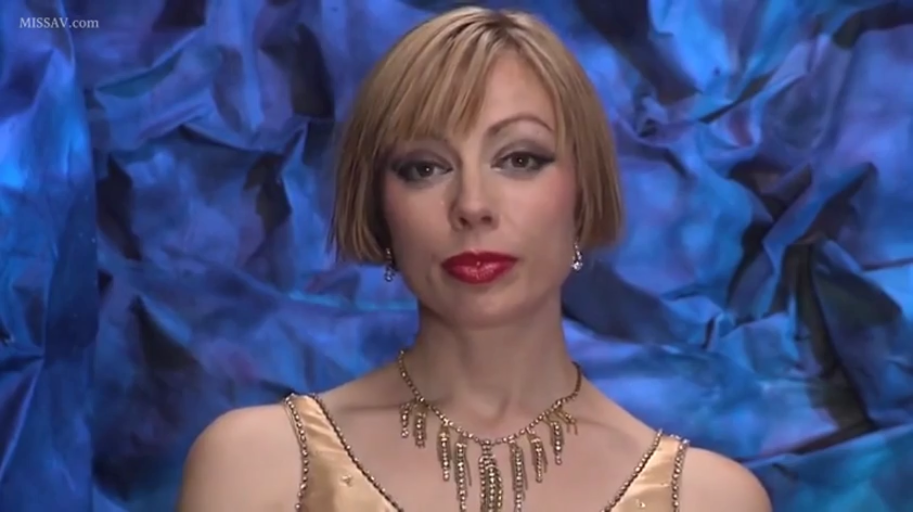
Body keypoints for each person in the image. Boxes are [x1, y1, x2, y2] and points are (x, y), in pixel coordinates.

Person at [177, 7, 772, 512]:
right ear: (380, 207)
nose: (472, 206)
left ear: (583, 191)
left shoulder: (709, 499)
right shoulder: (256, 468)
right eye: (424, 168)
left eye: (519, 159)